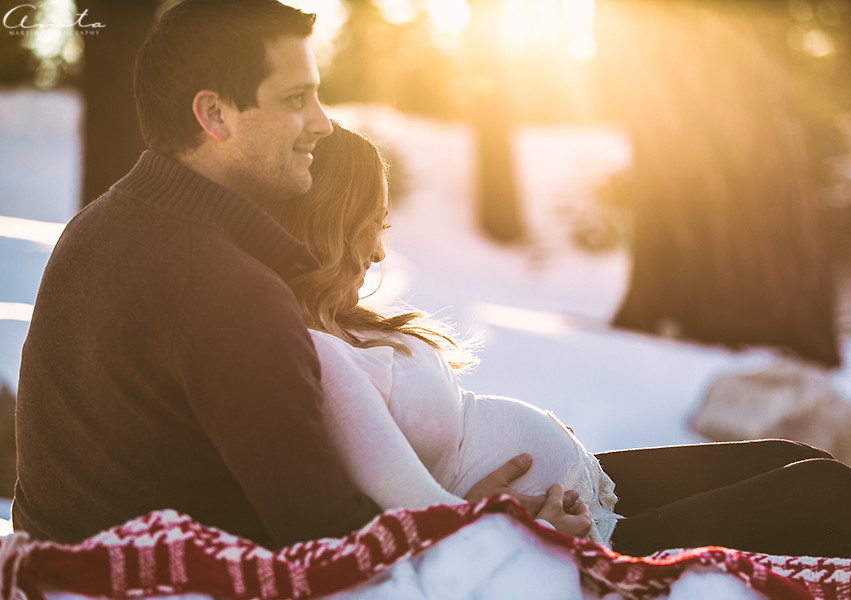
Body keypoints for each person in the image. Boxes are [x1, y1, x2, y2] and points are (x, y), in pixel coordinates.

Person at [12, 0, 550, 548]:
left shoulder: (94, 232)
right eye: (297, 99)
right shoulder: (225, 289)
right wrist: (475, 524)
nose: (321, 123)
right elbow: (327, 538)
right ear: (215, 115)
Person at [287, 122, 851, 556]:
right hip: (562, 537)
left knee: (802, 462)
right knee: (832, 493)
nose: (381, 249)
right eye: (370, 223)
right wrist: (500, 521)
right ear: (329, 219)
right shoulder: (318, 353)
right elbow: (398, 506)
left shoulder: (350, 326)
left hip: (580, 490)